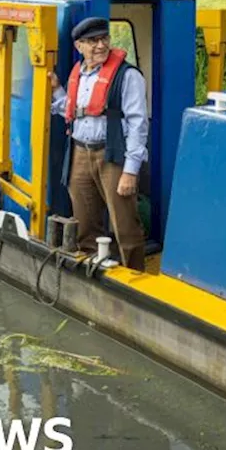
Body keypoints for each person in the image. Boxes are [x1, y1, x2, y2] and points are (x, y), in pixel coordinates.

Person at [50, 17, 149, 271]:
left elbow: (138, 124)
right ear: (79, 46)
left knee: (124, 225)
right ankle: (95, 273)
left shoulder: (127, 77)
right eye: (92, 41)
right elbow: (73, 111)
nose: (101, 45)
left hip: (113, 155)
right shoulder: (78, 75)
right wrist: (58, 91)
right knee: (84, 222)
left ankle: (135, 278)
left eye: (104, 39)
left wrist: (130, 170)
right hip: (80, 152)